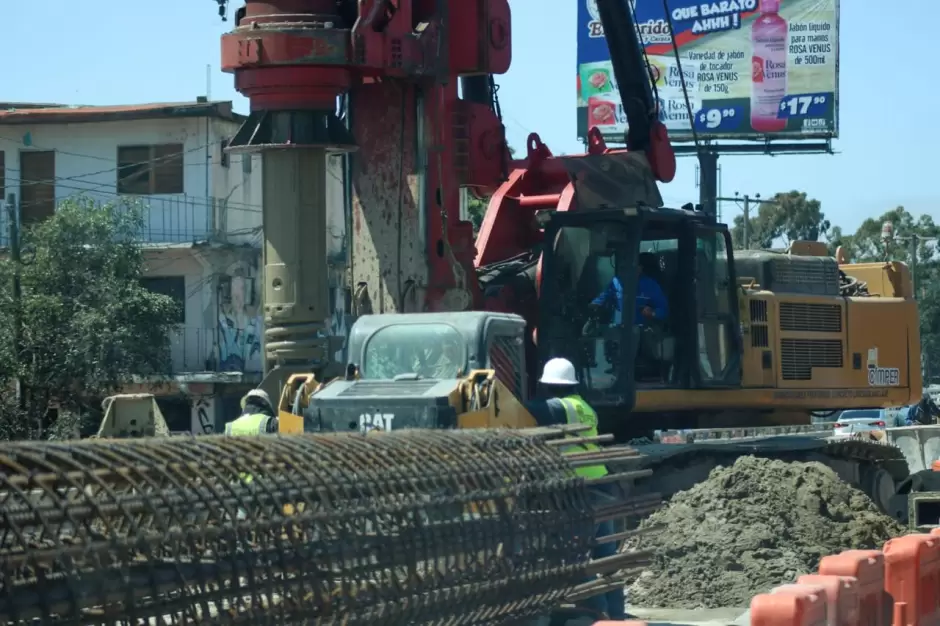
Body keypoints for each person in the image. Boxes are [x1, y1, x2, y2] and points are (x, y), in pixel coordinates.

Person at [524, 357, 625, 620]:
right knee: (607, 558)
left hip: (581, 491)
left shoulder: (559, 407)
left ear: (548, 386)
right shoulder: (584, 406)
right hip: (602, 486)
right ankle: (616, 616)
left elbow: (529, 409)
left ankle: (596, 617)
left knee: (581, 559)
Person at [589, 252, 668, 326]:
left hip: (640, 331)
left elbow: (663, 310)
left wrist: (652, 313)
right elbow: (603, 298)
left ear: (640, 268)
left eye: (632, 266)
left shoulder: (650, 285)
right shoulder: (616, 281)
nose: (627, 270)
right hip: (617, 329)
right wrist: (594, 306)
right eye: (625, 266)